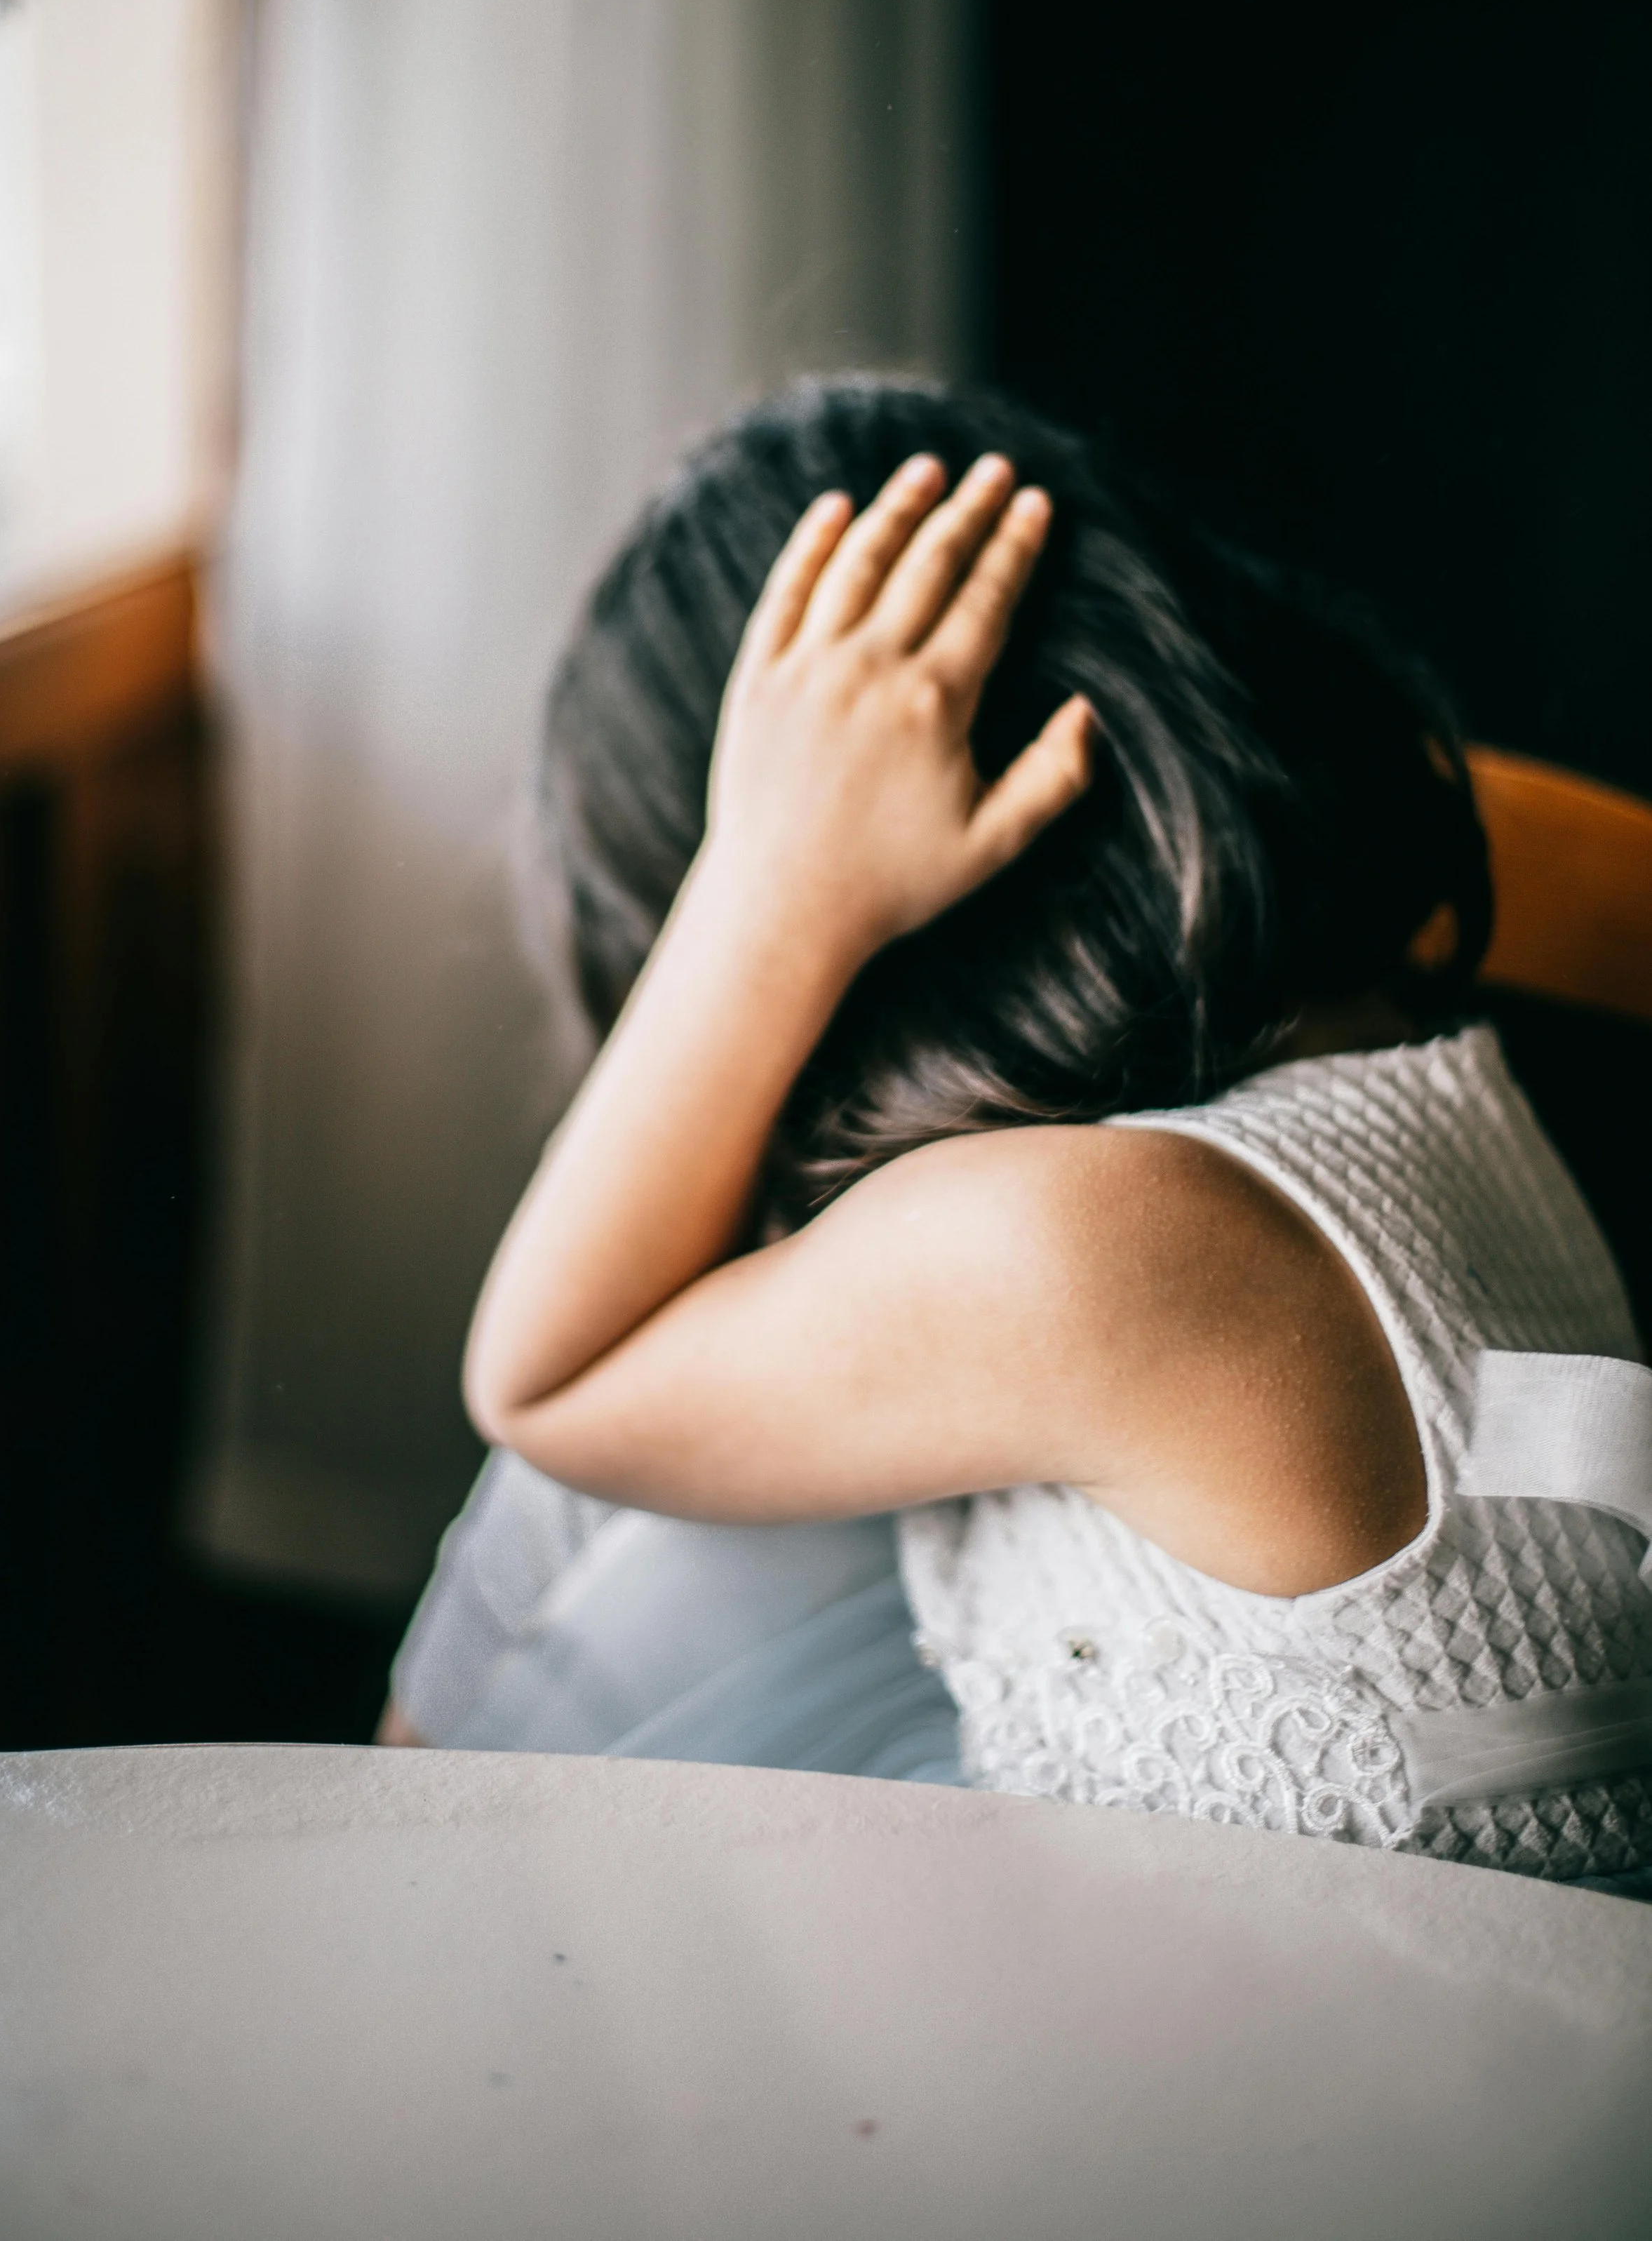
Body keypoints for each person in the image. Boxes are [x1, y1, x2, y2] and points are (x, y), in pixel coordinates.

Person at [383, 376, 1652, 1891]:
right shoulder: (1377, 971)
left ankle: (400, 1891)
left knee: (584, 1480)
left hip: (1296, 2054)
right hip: (1444, 1939)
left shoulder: (1062, 1242)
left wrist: (772, 882)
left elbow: (545, 1380)